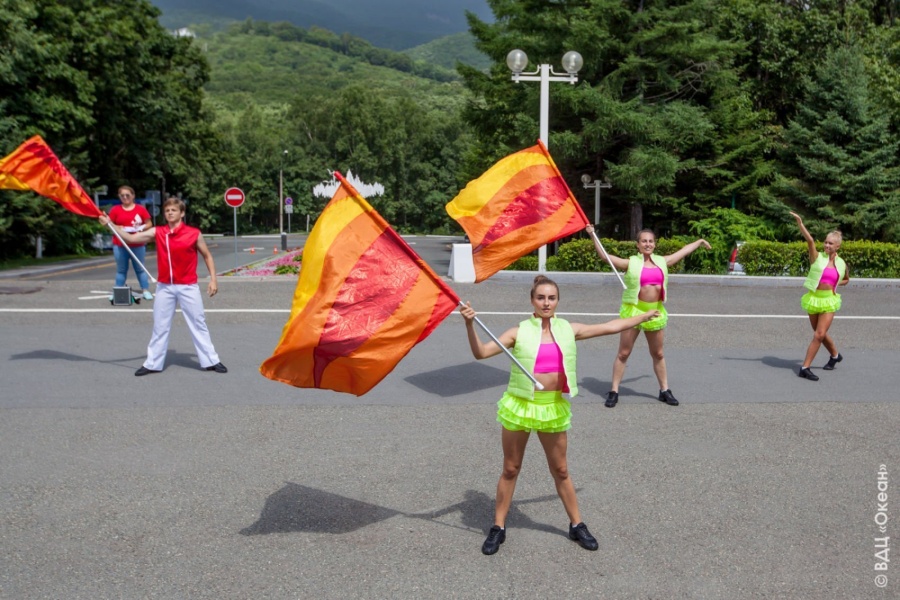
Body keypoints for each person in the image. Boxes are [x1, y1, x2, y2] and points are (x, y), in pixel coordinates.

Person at [460, 275, 660, 555]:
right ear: (532, 300)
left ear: (557, 301)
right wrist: (470, 324)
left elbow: (610, 326)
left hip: (552, 407)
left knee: (561, 470)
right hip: (521, 406)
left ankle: (576, 524)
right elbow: (481, 353)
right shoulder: (518, 332)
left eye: (551, 298)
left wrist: (643, 316)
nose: (546, 303)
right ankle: (498, 526)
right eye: (540, 297)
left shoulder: (568, 329)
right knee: (510, 469)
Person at [100, 196, 227, 376]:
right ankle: (152, 363)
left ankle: (211, 360)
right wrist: (110, 224)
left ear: (182, 213)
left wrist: (213, 279)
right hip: (165, 287)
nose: (170, 213)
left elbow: (207, 256)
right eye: (167, 210)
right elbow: (131, 238)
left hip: (188, 286)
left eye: (174, 210)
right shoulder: (158, 232)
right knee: (160, 325)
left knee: (198, 323)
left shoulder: (194, 233)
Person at [586, 226, 711, 407]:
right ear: (638, 245)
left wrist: (699, 242)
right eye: (644, 241)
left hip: (655, 312)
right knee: (623, 353)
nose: (647, 244)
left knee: (658, 353)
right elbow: (605, 257)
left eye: (650, 241)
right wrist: (592, 234)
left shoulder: (662, 261)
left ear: (655, 244)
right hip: (634, 311)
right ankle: (614, 391)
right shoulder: (631, 263)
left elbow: (683, 251)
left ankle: (664, 390)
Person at [790, 211, 849, 381]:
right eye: (826, 242)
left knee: (819, 334)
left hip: (829, 300)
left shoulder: (841, 263)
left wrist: (833, 285)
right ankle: (835, 355)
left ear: (837, 247)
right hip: (814, 299)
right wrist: (800, 223)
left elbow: (846, 279)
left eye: (831, 243)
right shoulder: (817, 258)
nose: (827, 245)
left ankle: (805, 368)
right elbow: (810, 240)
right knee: (819, 333)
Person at [108, 185, 154, 300]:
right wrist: (118, 227)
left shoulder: (140, 209)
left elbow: (149, 223)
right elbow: (110, 224)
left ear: (133, 196)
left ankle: (145, 290)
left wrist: (141, 228)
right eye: (122, 195)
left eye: (127, 195)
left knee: (140, 268)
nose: (125, 197)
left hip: (138, 244)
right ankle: (118, 290)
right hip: (120, 244)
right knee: (121, 269)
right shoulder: (115, 210)